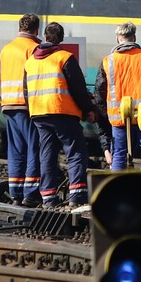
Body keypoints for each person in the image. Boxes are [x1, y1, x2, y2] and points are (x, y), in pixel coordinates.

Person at [26, 22, 98, 208]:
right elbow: (78, 89)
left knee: (47, 154)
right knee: (74, 152)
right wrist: (87, 110)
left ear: (44, 36)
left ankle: (48, 197)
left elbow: (26, 90)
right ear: (61, 38)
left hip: (39, 114)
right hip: (62, 112)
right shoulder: (65, 58)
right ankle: (77, 194)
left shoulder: (31, 61)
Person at [96, 22, 141, 177]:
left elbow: (100, 90)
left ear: (117, 39)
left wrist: (103, 114)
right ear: (134, 37)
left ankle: (117, 187)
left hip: (119, 116)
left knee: (119, 153)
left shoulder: (108, 61)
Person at [0, 14, 41, 207]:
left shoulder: (6, 49)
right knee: (34, 148)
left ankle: (15, 191)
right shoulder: (34, 48)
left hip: (9, 104)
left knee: (15, 150)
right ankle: (30, 193)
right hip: (27, 105)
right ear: (36, 30)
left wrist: (3, 100)